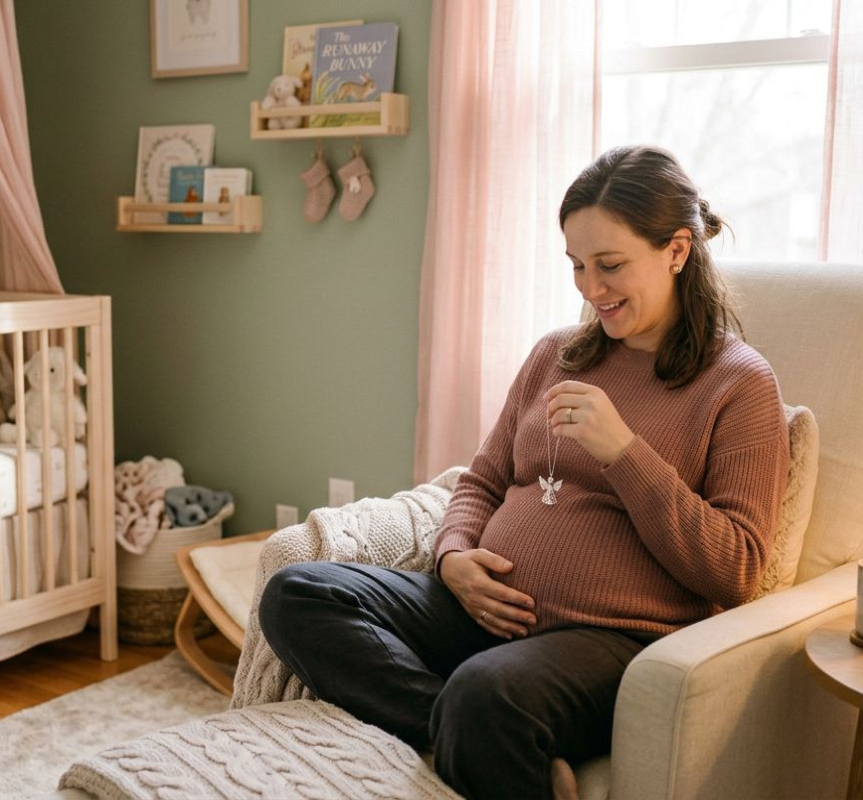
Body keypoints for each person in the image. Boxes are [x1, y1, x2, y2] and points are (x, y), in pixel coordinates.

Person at [259, 145, 790, 800]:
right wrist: (454, 557)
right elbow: (482, 480)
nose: (590, 289)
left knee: (485, 694)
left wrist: (624, 451)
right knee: (297, 593)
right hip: (481, 616)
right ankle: (460, 733)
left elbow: (736, 569)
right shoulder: (556, 355)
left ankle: (476, 721)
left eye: (610, 265)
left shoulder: (739, 384)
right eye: (576, 265)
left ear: (677, 250)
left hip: (608, 643)